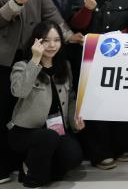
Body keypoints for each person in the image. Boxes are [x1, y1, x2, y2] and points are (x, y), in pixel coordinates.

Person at [0, 0, 74, 184]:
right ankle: (4, 165)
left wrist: (67, 35)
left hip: (35, 51)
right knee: (4, 111)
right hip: (4, 58)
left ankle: (31, 161)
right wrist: (14, 4)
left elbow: (50, 12)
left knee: (33, 107)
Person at [69, 0, 128, 169]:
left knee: (118, 101)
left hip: (120, 58)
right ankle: (100, 153)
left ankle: (122, 146)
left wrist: (123, 36)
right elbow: (77, 24)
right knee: (95, 104)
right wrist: (87, 9)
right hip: (91, 59)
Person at [7, 21, 85, 188]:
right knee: (48, 138)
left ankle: (32, 168)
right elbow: (19, 91)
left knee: (73, 157)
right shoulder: (22, 66)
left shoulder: (65, 66)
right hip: (25, 131)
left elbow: (71, 97)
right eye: (46, 40)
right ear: (36, 42)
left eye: (56, 40)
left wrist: (74, 121)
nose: (52, 45)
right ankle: (32, 177)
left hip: (56, 129)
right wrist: (35, 59)